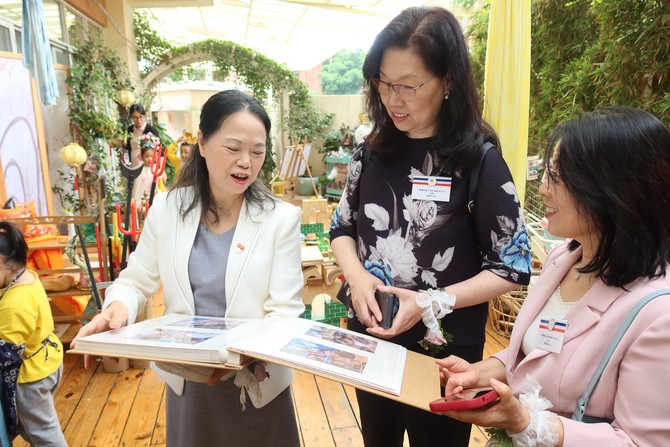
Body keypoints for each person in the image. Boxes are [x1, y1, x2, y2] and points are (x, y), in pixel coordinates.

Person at [329, 6, 531, 446]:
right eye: (384, 83)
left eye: (408, 86)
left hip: (445, 350)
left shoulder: (479, 160)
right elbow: (342, 228)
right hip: (372, 332)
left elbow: (511, 266)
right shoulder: (370, 153)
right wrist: (359, 277)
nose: (393, 98)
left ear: (449, 82)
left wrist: (429, 301)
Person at [73, 90, 305, 447]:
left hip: (257, 385)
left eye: (257, 152)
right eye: (233, 148)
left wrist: (234, 360)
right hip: (190, 385)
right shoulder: (168, 209)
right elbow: (135, 282)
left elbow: (284, 311)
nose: (246, 162)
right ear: (202, 142)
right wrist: (117, 310)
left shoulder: (281, 219)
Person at [437, 107, 670, 446]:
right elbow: (532, 352)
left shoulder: (657, 315)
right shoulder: (562, 259)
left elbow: (641, 442)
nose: (543, 188)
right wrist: (482, 371)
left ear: (612, 190)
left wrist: (527, 423)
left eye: (558, 178)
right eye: (546, 174)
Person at [0, 221, 66, 446]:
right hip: (48, 357)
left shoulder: (13, 305)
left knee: (44, 434)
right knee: (36, 425)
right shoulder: (27, 277)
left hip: (30, 378)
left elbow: (4, 354)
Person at [126, 103, 160, 167]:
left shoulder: (151, 130)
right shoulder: (130, 130)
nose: (138, 120)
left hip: (148, 167)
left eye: (140, 117)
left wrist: (161, 170)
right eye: (135, 118)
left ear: (144, 116)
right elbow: (128, 147)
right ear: (131, 118)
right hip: (134, 166)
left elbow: (160, 151)